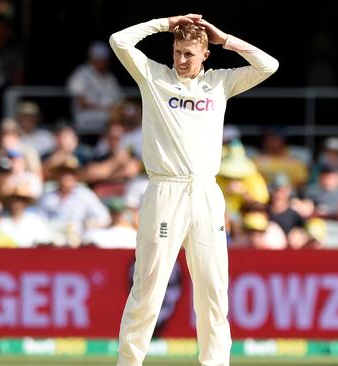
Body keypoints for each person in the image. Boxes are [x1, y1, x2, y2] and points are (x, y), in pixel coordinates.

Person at [109, 12, 278, 366]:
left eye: (190, 53)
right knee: (148, 288)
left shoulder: (220, 83)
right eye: (177, 51)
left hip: (205, 193)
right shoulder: (154, 77)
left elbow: (269, 65)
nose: (181, 60)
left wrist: (225, 38)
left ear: (205, 55)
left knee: (213, 289)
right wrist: (165, 23)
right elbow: (119, 41)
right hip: (165, 190)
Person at [67, 40, 123, 139]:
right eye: (99, 60)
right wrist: (105, 109)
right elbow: (81, 102)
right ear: (92, 59)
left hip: (108, 117)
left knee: (124, 116)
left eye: (104, 60)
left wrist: (115, 109)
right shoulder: (81, 73)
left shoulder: (109, 76)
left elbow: (119, 99)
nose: (102, 63)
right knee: (114, 119)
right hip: (86, 117)